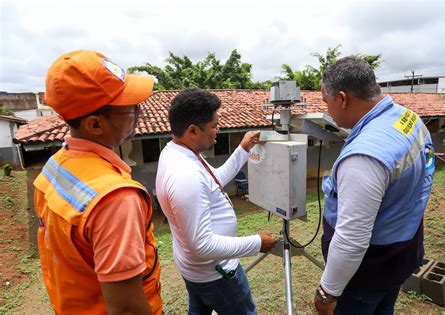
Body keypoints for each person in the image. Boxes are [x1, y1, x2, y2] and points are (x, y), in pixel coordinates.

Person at [34, 50, 162, 314]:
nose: (139, 113)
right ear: (94, 125)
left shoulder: (55, 166)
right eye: (130, 107)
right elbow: (127, 308)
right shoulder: (116, 199)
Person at [314, 56, 435, 315]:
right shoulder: (408, 119)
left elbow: (351, 239)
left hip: (367, 271)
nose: (328, 112)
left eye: (326, 102)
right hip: (401, 253)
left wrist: (327, 292)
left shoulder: (363, 158)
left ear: (343, 99)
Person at [155, 88, 277, 315]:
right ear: (192, 130)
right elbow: (202, 246)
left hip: (197, 270)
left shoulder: (180, 153)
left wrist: (243, 149)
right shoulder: (185, 175)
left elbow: (214, 182)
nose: (217, 130)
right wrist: (257, 243)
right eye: (213, 125)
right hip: (217, 273)